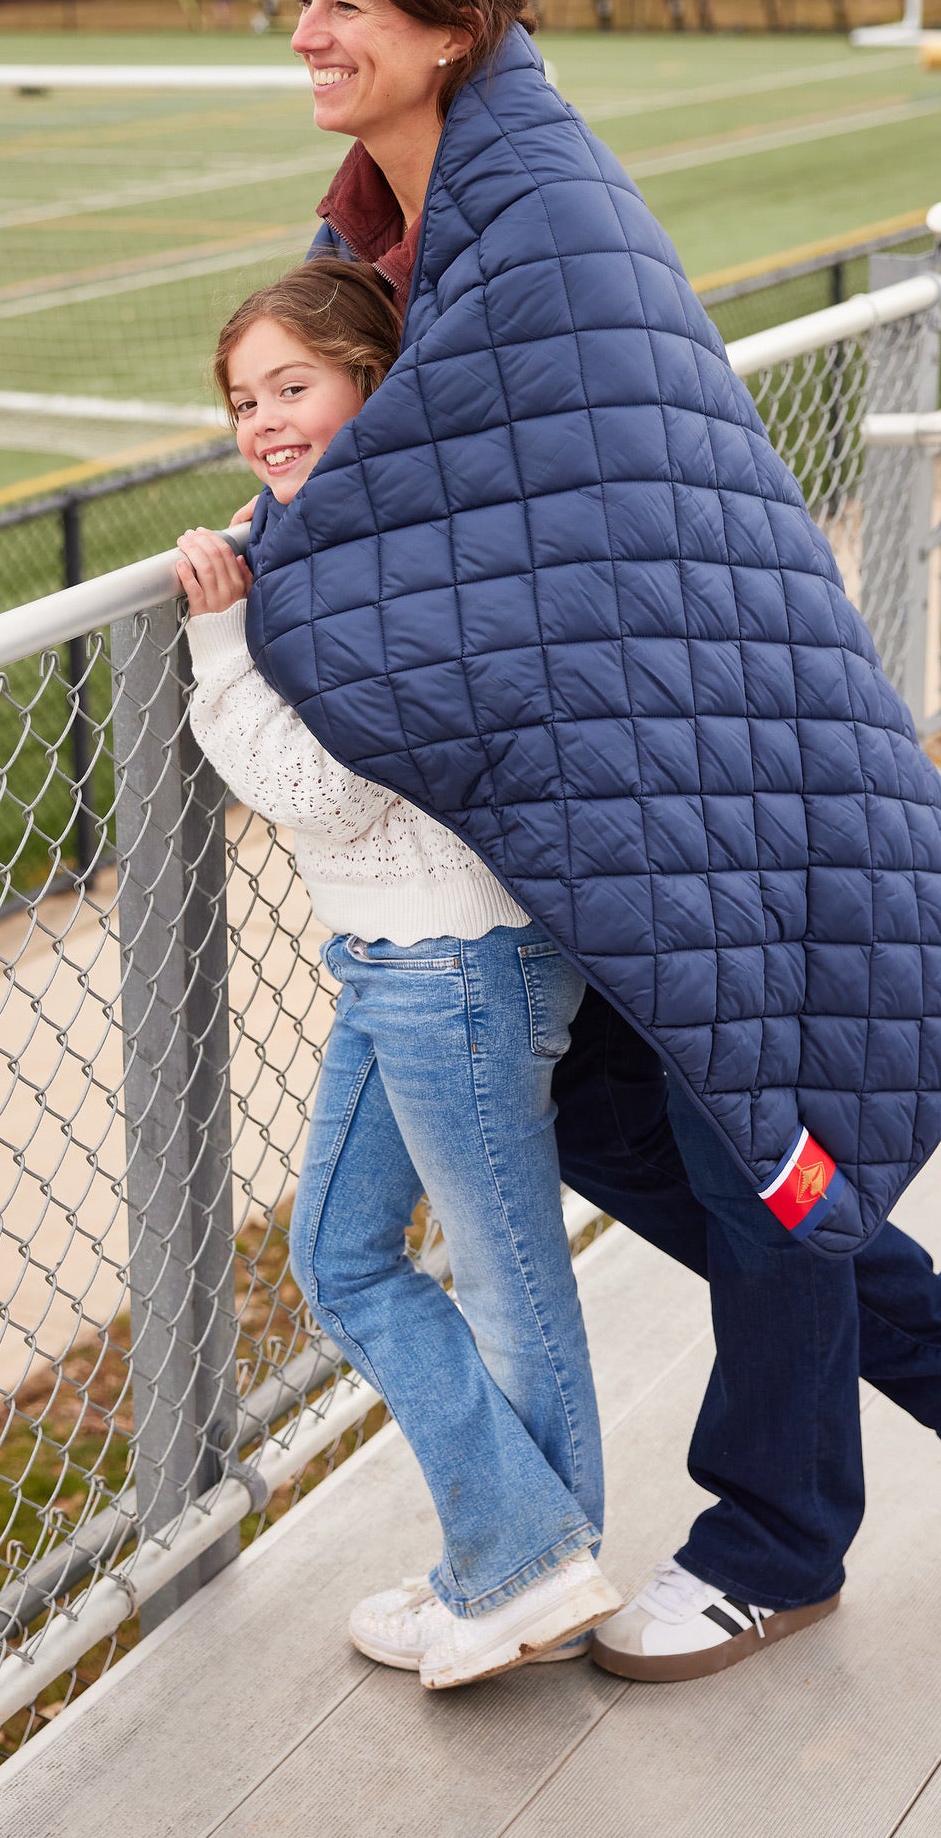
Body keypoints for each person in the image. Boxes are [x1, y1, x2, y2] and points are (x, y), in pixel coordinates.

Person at [235, 0, 941, 1684]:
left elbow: (467, 474)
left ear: (453, 27)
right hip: (645, 752)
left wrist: (277, 563)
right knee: (616, 1107)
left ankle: (779, 1539)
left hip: (720, 755)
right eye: (299, 0)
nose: (306, 32)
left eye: (345, 5)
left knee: (741, 1112)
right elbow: (424, 455)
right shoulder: (406, 214)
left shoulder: (532, 209)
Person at [174, 259, 622, 1693]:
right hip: (397, 959)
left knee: (504, 1280)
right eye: (244, 400)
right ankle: (526, 1555)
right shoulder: (336, 529)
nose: (264, 419)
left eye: (293, 386)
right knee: (341, 1255)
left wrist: (217, 645)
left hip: (458, 959)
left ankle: (524, 1566)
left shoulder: (399, 547)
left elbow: (313, 783)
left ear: (370, 375)